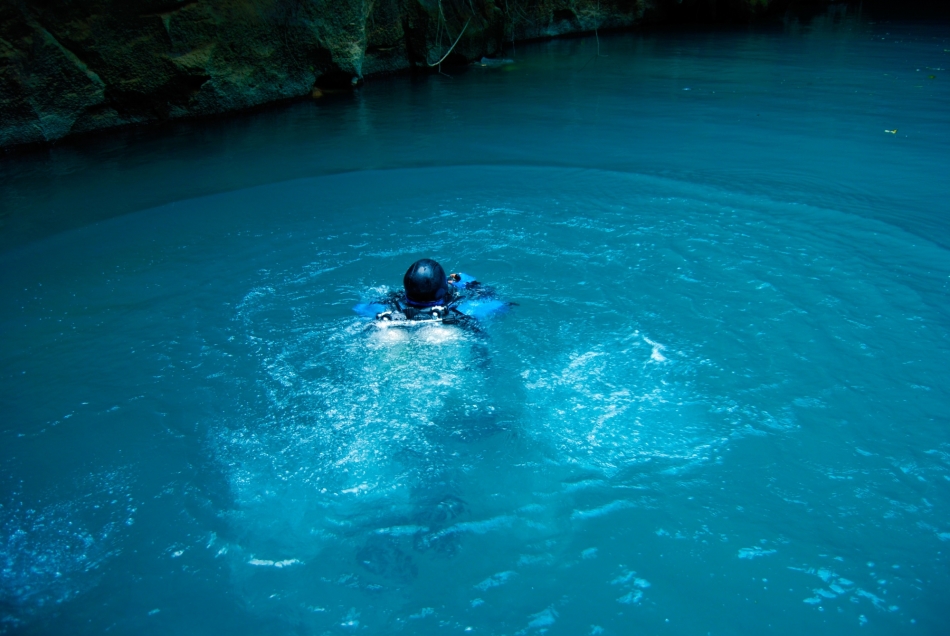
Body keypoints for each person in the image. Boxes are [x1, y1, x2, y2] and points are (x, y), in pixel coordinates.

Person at [353, 258, 511, 329]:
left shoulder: (383, 308)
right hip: (441, 333)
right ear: (443, 288)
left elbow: (359, 308)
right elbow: (502, 305)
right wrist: (471, 284)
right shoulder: (467, 310)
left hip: (395, 329)